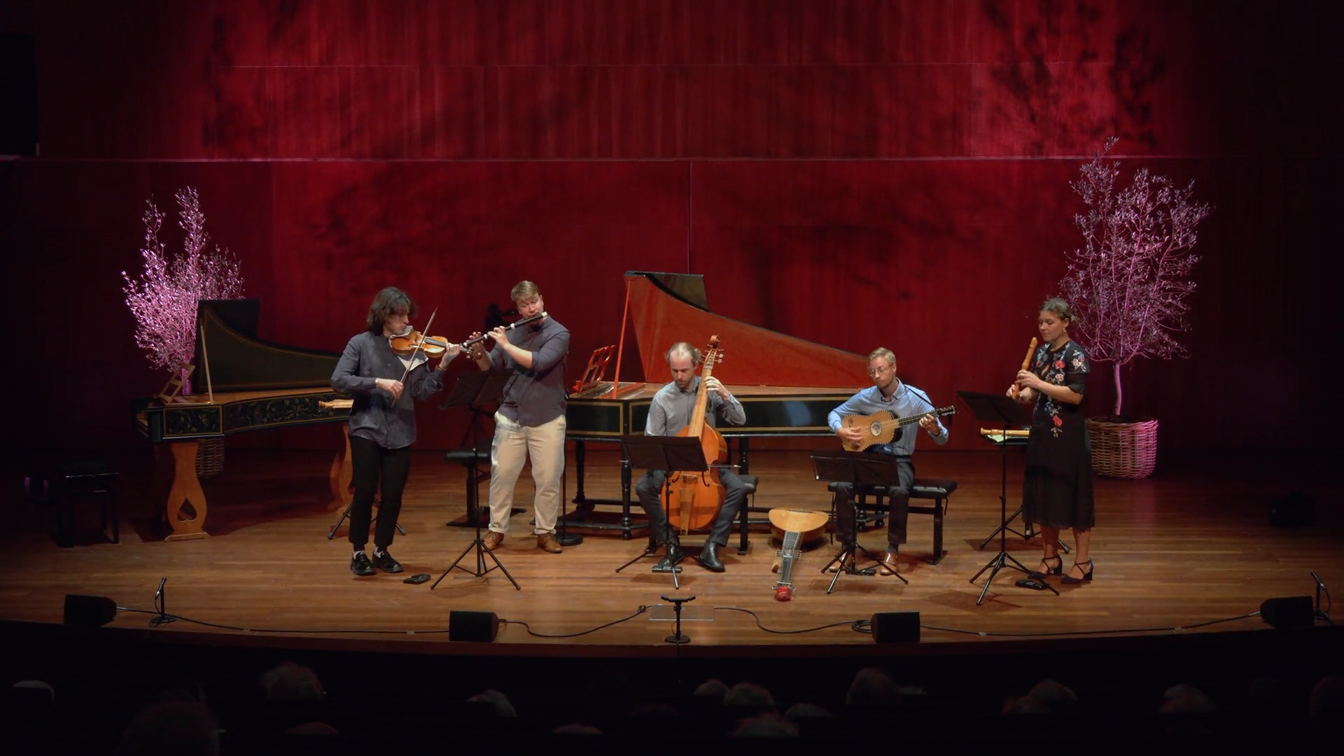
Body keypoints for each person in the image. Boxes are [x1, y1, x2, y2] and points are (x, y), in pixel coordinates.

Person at [331, 287, 461, 576]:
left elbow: (421, 391)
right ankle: (358, 552)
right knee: (364, 491)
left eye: (406, 315)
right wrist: (376, 381)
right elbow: (339, 379)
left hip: (401, 430)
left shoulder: (413, 348)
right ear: (383, 316)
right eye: (398, 315)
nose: (405, 322)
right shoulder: (361, 344)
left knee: (393, 494)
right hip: (367, 426)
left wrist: (444, 366)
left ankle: (381, 550)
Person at [468, 281, 570, 553]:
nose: (530, 308)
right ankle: (496, 530)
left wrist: (504, 343)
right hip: (511, 415)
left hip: (546, 417)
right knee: (502, 477)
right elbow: (491, 368)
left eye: (534, 301)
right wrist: (480, 352)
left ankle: (545, 532)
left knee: (547, 479)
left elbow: (539, 362)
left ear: (542, 299)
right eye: (524, 305)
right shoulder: (512, 334)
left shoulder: (559, 333)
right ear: (518, 307)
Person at [829, 348, 949, 575]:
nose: (876, 376)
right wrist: (841, 431)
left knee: (899, 490)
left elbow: (943, 437)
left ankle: (892, 550)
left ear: (894, 368)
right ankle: (847, 550)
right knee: (843, 486)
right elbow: (834, 413)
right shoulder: (866, 396)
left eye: (881, 370)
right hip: (869, 458)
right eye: (872, 371)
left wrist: (933, 428)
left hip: (899, 461)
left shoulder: (916, 397)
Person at [634, 342, 747, 572]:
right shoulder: (662, 398)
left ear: (696, 366)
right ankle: (671, 544)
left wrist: (725, 394)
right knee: (643, 487)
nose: (679, 376)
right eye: (674, 370)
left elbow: (740, 419)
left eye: (684, 370)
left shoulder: (711, 393)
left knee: (738, 487)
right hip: (672, 464)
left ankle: (712, 546)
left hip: (707, 463)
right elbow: (652, 437)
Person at [1009, 297, 1095, 584]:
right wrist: (1021, 394)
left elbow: (1075, 395)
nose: (1043, 327)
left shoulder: (1077, 354)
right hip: (1043, 432)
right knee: (1044, 497)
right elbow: (1034, 394)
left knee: (1072, 498)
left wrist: (1038, 383)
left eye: (1050, 322)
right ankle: (1051, 558)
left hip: (1068, 437)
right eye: (1041, 322)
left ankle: (1082, 563)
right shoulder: (1043, 353)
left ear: (1065, 323)